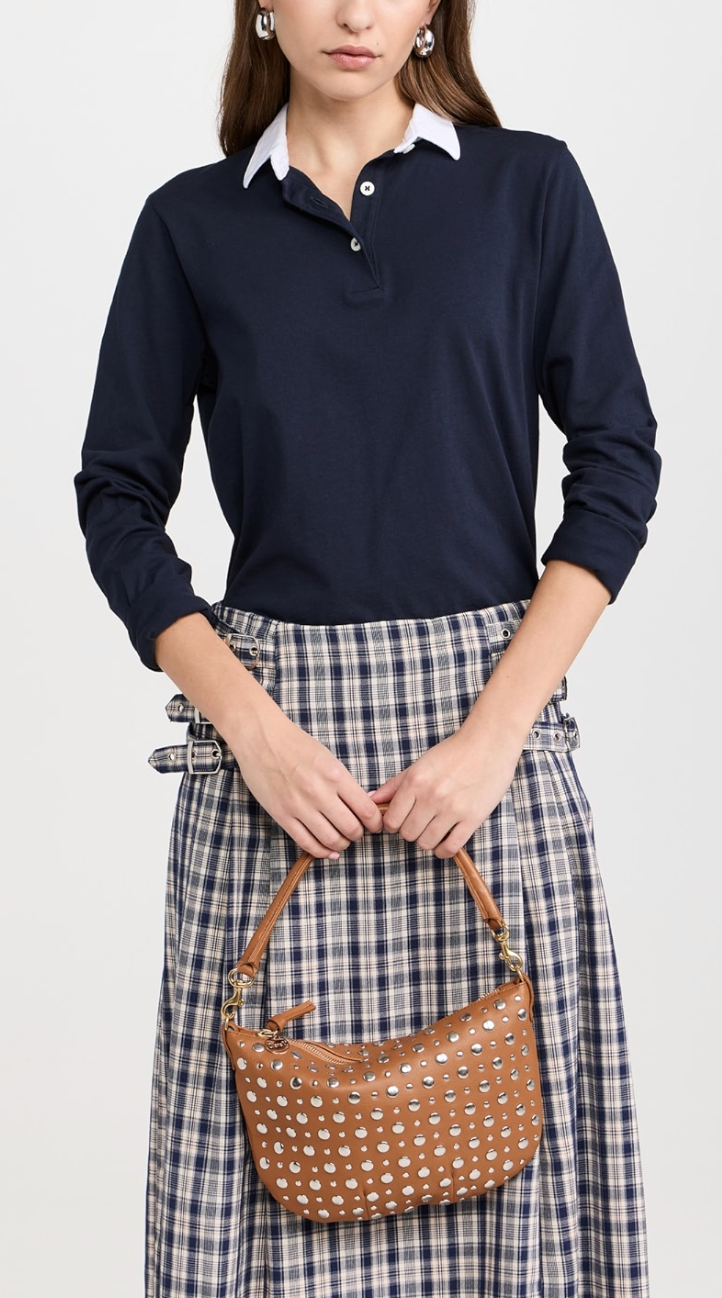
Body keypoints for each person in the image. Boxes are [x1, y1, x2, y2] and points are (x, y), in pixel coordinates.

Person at [74, 2, 661, 1295]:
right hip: (276, 764)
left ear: (435, 10)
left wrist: (495, 735)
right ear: (261, 6)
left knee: (517, 1190)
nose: (354, 12)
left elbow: (618, 464)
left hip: (492, 748)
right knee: (256, 1195)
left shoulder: (527, 188)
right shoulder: (189, 225)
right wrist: (251, 729)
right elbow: (117, 498)